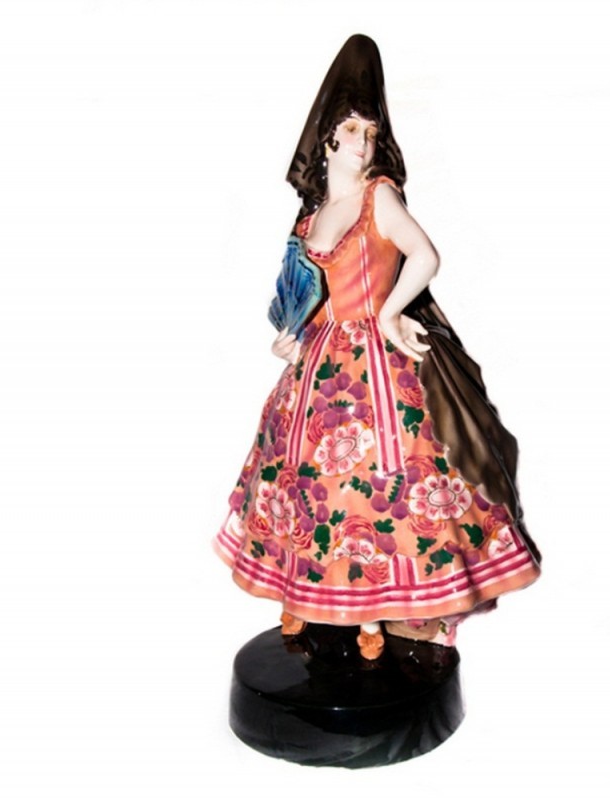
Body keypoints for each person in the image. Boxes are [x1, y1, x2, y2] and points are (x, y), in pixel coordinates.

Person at [213, 35, 541, 660]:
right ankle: (308, 593)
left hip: (375, 361)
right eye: (350, 131)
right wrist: (288, 334)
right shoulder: (312, 216)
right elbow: (302, 289)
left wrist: (390, 312)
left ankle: (378, 608)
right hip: (317, 362)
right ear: (327, 140)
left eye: (370, 131)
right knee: (303, 476)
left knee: (378, 475)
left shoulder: (378, 196)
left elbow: (425, 256)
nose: (362, 143)